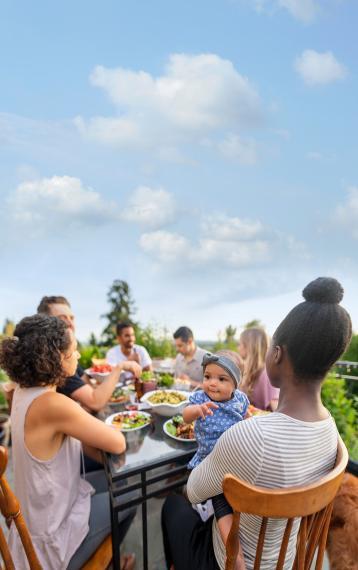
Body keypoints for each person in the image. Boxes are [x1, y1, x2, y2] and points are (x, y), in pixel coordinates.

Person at [162, 276, 352, 570]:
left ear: (277, 354)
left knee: (172, 506)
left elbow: (194, 490)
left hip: (233, 561)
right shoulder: (332, 435)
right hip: (287, 560)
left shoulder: (249, 437)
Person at [0, 314, 137, 569]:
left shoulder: (24, 390)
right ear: (56, 358)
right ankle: (107, 563)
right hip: (51, 538)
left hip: (40, 513)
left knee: (115, 481)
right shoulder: (52, 404)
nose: (78, 357)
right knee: (129, 494)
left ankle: (109, 558)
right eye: (73, 351)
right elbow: (118, 443)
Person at [182, 352, 249, 569]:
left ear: (235, 385)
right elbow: (185, 415)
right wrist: (197, 411)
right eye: (208, 376)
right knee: (221, 501)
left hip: (235, 457)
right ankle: (235, 555)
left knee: (234, 497)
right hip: (211, 461)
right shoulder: (201, 398)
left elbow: (246, 418)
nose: (212, 383)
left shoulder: (240, 400)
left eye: (221, 379)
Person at [37, 296, 141, 411]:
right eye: (62, 318)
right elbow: (95, 402)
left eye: (71, 318)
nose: (70, 323)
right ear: (46, 325)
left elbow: (88, 385)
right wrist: (120, 367)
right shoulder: (56, 361)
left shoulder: (69, 356)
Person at [238, 327, 279, 411]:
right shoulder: (247, 370)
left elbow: (277, 409)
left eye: (240, 344)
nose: (238, 348)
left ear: (248, 346)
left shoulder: (266, 374)